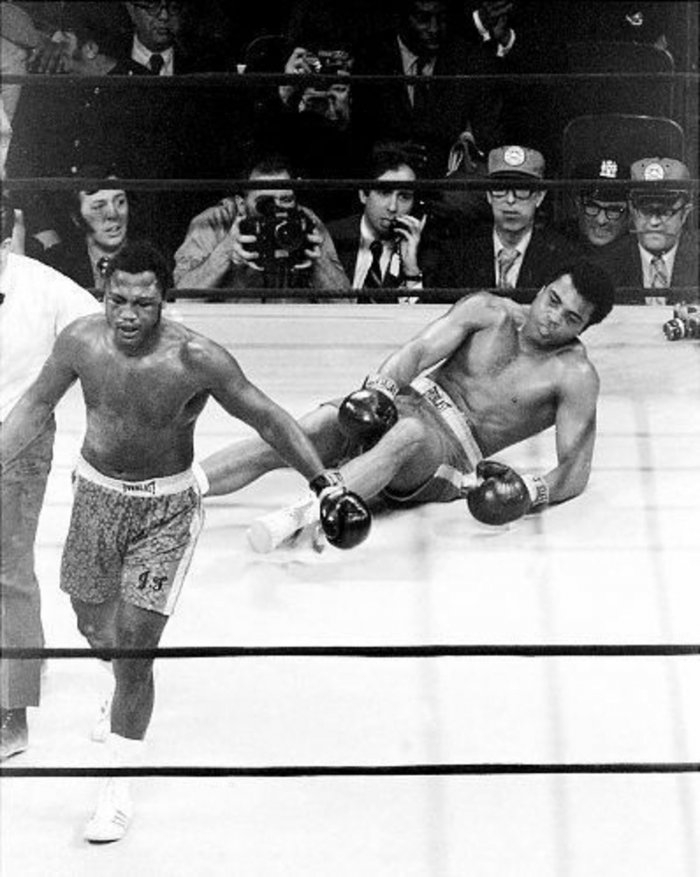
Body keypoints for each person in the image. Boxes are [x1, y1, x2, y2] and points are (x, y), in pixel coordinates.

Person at [0, 239, 368, 840]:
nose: (127, 315)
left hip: (166, 511)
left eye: (142, 304)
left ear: (164, 301)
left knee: (137, 649)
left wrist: (323, 482)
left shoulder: (196, 357)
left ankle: (115, 787)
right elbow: (34, 406)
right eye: (117, 300)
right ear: (103, 292)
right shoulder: (80, 341)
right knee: (92, 621)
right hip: (94, 496)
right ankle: (121, 684)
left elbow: (267, 417)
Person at [199, 259, 615, 552]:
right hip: (408, 402)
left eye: (571, 318)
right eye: (553, 300)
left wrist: (528, 491)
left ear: (586, 328)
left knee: (410, 434)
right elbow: (417, 353)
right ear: (541, 290)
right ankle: (184, 487)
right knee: (310, 428)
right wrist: (380, 392)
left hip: (450, 451)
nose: (553, 318)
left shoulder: (574, 376)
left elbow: (575, 471)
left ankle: (300, 516)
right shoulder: (489, 311)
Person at [0, 203, 101, 762]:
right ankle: (25, 656)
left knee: (7, 572)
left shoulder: (45, 288)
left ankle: (11, 713)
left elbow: (107, 335)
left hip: (19, 438)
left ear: (5, 245)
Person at [350, 0, 503, 179]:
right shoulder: (370, 58)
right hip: (383, 177)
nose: (434, 29)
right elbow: (354, 131)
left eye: (441, 18)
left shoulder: (471, 62)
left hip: (448, 182)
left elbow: (488, 137)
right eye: (423, 19)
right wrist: (380, 149)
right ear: (401, 18)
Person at [173, 154, 350, 299]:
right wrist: (226, 252)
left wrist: (318, 261)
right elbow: (182, 299)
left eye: (286, 199)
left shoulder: (305, 221)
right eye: (266, 203)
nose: (278, 209)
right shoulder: (213, 222)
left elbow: (346, 301)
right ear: (242, 204)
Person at [438, 145, 583, 298]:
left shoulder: (564, 258)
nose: (510, 200)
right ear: (488, 194)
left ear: (539, 196)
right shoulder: (459, 253)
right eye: (500, 189)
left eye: (521, 190)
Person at [326, 144, 433, 302]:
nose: (393, 207)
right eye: (384, 193)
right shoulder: (331, 238)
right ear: (363, 195)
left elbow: (425, 316)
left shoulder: (427, 254)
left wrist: (411, 271)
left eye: (404, 197)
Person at [594, 156, 697, 304]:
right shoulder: (605, 266)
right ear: (632, 210)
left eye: (666, 212)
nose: (654, 222)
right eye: (645, 211)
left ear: (685, 213)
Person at [42, 173, 131, 295]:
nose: (113, 214)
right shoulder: (55, 264)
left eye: (120, 202)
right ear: (77, 218)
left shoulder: (152, 257)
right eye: (98, 207)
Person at [561, 158, 631, 256]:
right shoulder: (558, 246)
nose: (601, 220)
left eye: (613, 210)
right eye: (592, 207)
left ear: (630, 213)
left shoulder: (640, 255)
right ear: (578, 205)